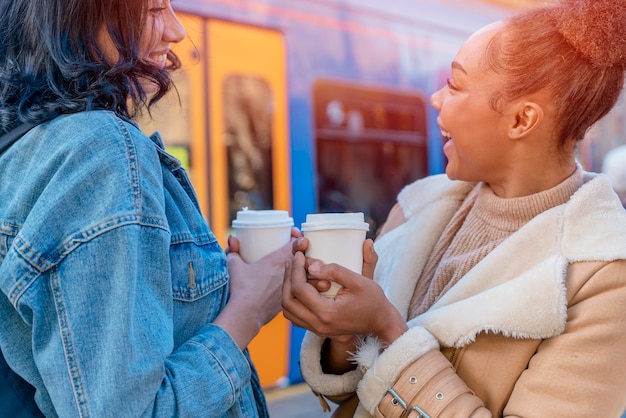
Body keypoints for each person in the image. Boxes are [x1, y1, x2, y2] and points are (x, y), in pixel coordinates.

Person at [282, 0, 626, 416]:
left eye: (456, 85)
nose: (435, 98)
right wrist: (345, 331)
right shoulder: (417, 206)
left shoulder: (605, 276)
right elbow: (352, 392)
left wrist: (386, 328)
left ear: (521, 121)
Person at [0, 0, 298, 416]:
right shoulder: (99, 150)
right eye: (154, 9)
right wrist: (248, 310)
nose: (177, 31)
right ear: (80, 14)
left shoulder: (27, 144)